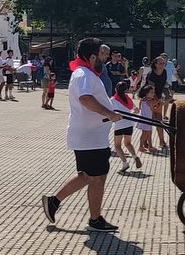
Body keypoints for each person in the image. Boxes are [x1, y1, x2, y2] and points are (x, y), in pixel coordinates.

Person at [42, 37, 121, 233]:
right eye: (101, 54)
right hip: (89, 137)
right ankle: (95, 220)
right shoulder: (84, 74)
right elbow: (85, 98)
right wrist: (109, 113)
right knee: (96, 177)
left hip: (93, 135)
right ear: (92, 57)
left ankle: (54, 202)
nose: (104, 58)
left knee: (88, 175)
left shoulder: (85, 73)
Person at [110, 80, 142, 173]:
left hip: (119, 125)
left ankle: (125, 163)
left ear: (116, 89)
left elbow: (110, 111)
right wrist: (130, 114)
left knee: (117, 146)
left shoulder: (113, 100)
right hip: (129, 124)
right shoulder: (128, 98)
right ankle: (135, 156)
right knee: (128, 143)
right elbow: (136, 110)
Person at [146, 56, 171, 149]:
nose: (162, 65)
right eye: (160, 63)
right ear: (155, 64)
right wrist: (157, 101)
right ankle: (146, 142)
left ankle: (162, 141)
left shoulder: (164, 72)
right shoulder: (151, 74)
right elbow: (151, 89)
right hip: (149, 98)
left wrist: (168, 94)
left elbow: (164, 85)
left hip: (158, 98)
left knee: (159, 121)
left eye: (164, 63)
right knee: (149, 122)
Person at [135, 85, 155, 153]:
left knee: (146, 133)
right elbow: (153, 110)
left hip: (143, 119)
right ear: (146, 93)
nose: (153, 94)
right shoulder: (150, 101)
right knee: (146, 133)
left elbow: (140, 108)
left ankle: (149, 146)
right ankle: (142, 146)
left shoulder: (142, 100)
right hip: (147, 120)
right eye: (151, 92)